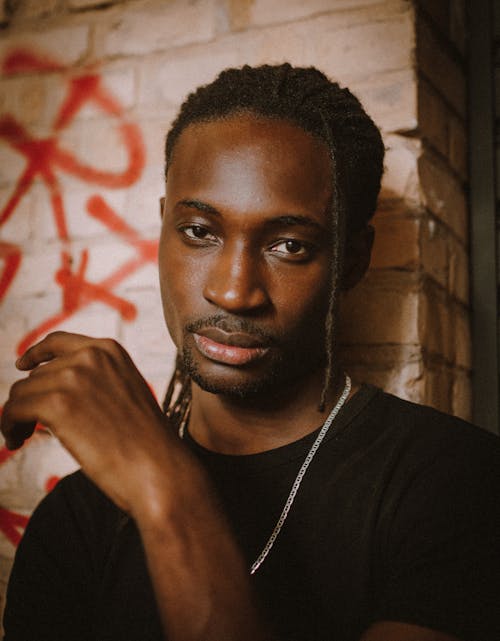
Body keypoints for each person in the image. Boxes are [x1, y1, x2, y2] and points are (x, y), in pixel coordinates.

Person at [1, 64, 499, 641]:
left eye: (290, 245)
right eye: (198, 232)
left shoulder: (458, 485)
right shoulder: (76, 525)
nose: (234, 291)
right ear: (163, 226)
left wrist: (168, 493)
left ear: (353, 261)